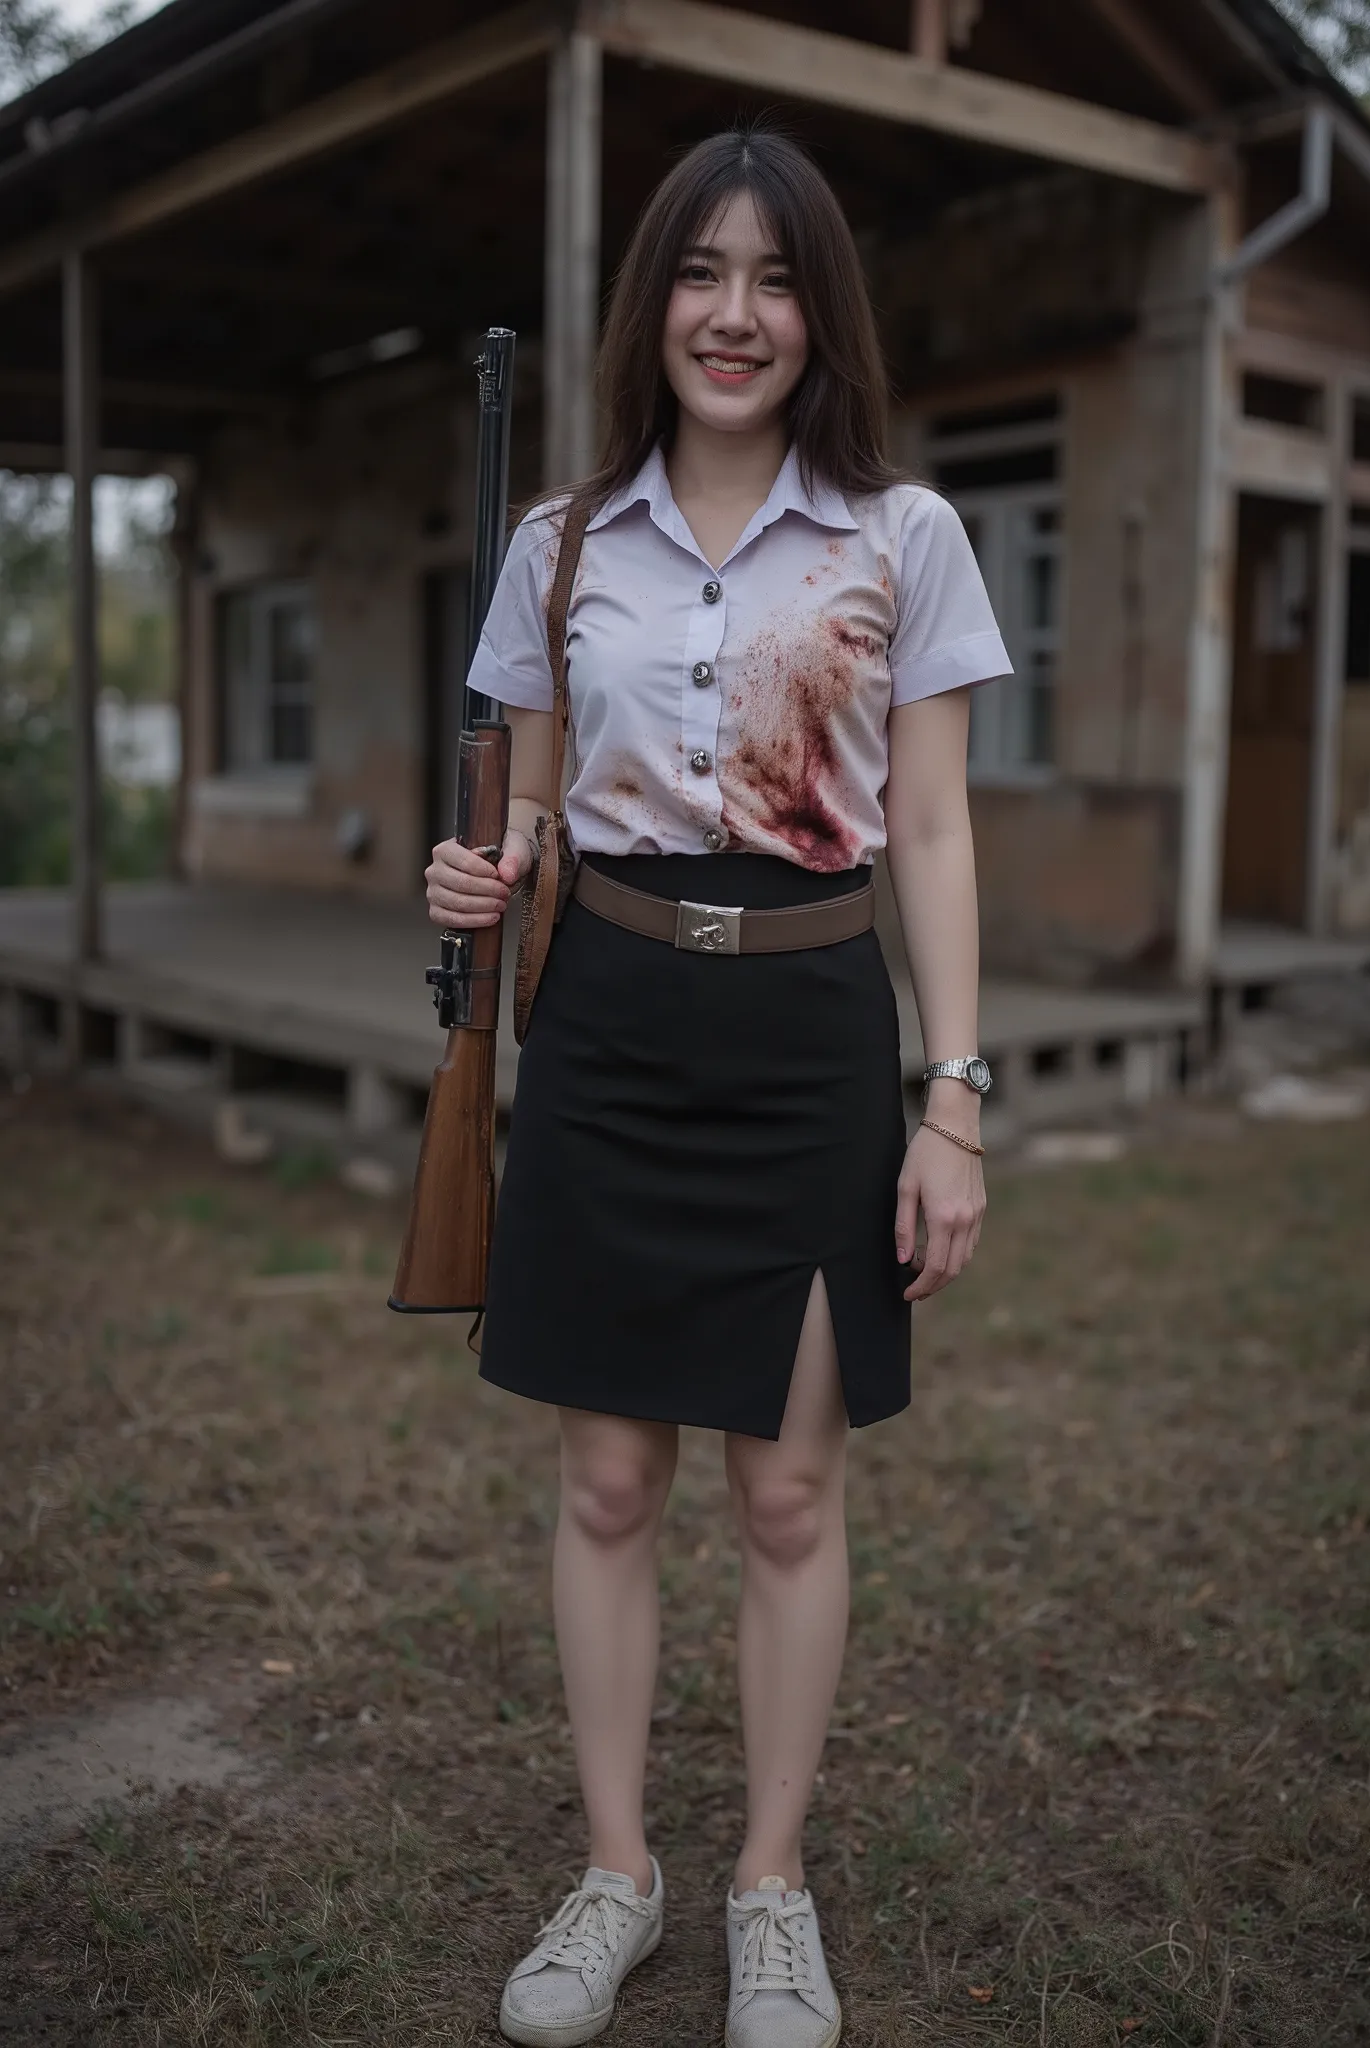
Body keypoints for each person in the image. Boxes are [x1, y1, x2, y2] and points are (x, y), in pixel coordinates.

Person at [426, 125, 1010, 2048]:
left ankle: (771, 1889)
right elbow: (521, 807)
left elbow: (927, 827)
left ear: (817, 310)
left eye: (772, 278)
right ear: (653, 302)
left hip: (811, 1033)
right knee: (605, 1481)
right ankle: (619, 1874)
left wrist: (954, 1099)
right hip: (606, 1030)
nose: (734, 315)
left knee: (786, 1495)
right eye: (699, 273)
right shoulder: (559, 542)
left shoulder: (898, 536)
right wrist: (477, 870)